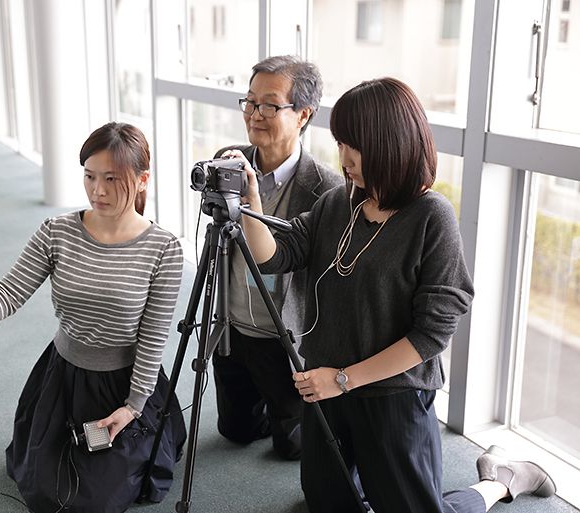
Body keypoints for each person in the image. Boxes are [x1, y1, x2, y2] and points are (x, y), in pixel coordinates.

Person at [236, 77, 556, 512]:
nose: (342, 156)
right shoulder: (338, 203)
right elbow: (275, 256)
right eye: (340, 142)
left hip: (392, 396)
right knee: (325, 502)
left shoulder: (431, 217)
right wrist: (251, 204)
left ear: (390, 144)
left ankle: (500, 480)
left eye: (353, 145)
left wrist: (343, 378)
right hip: (328, 390)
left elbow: (430, 336)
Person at [0, 122, 187, 513]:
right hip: (64, 377)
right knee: (49, 492)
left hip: (125, 385)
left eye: (112, 179)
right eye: (90, 177)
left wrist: (132, 407)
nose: (98, 190)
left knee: (96, 499)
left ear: (143, 180)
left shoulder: (164, 248)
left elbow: (153, 338)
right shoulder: (57, 230)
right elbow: (9, 292)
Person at [212, 55, 342, 460]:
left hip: (283, 338)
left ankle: (288, 410)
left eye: (269, 105)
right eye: (250, 102)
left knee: (293, 450)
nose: (255, 114)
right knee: (236, 432)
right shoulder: (230, 160)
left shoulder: (325, 189)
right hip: (233, 327)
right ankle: (266, 408)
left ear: (304, 114)